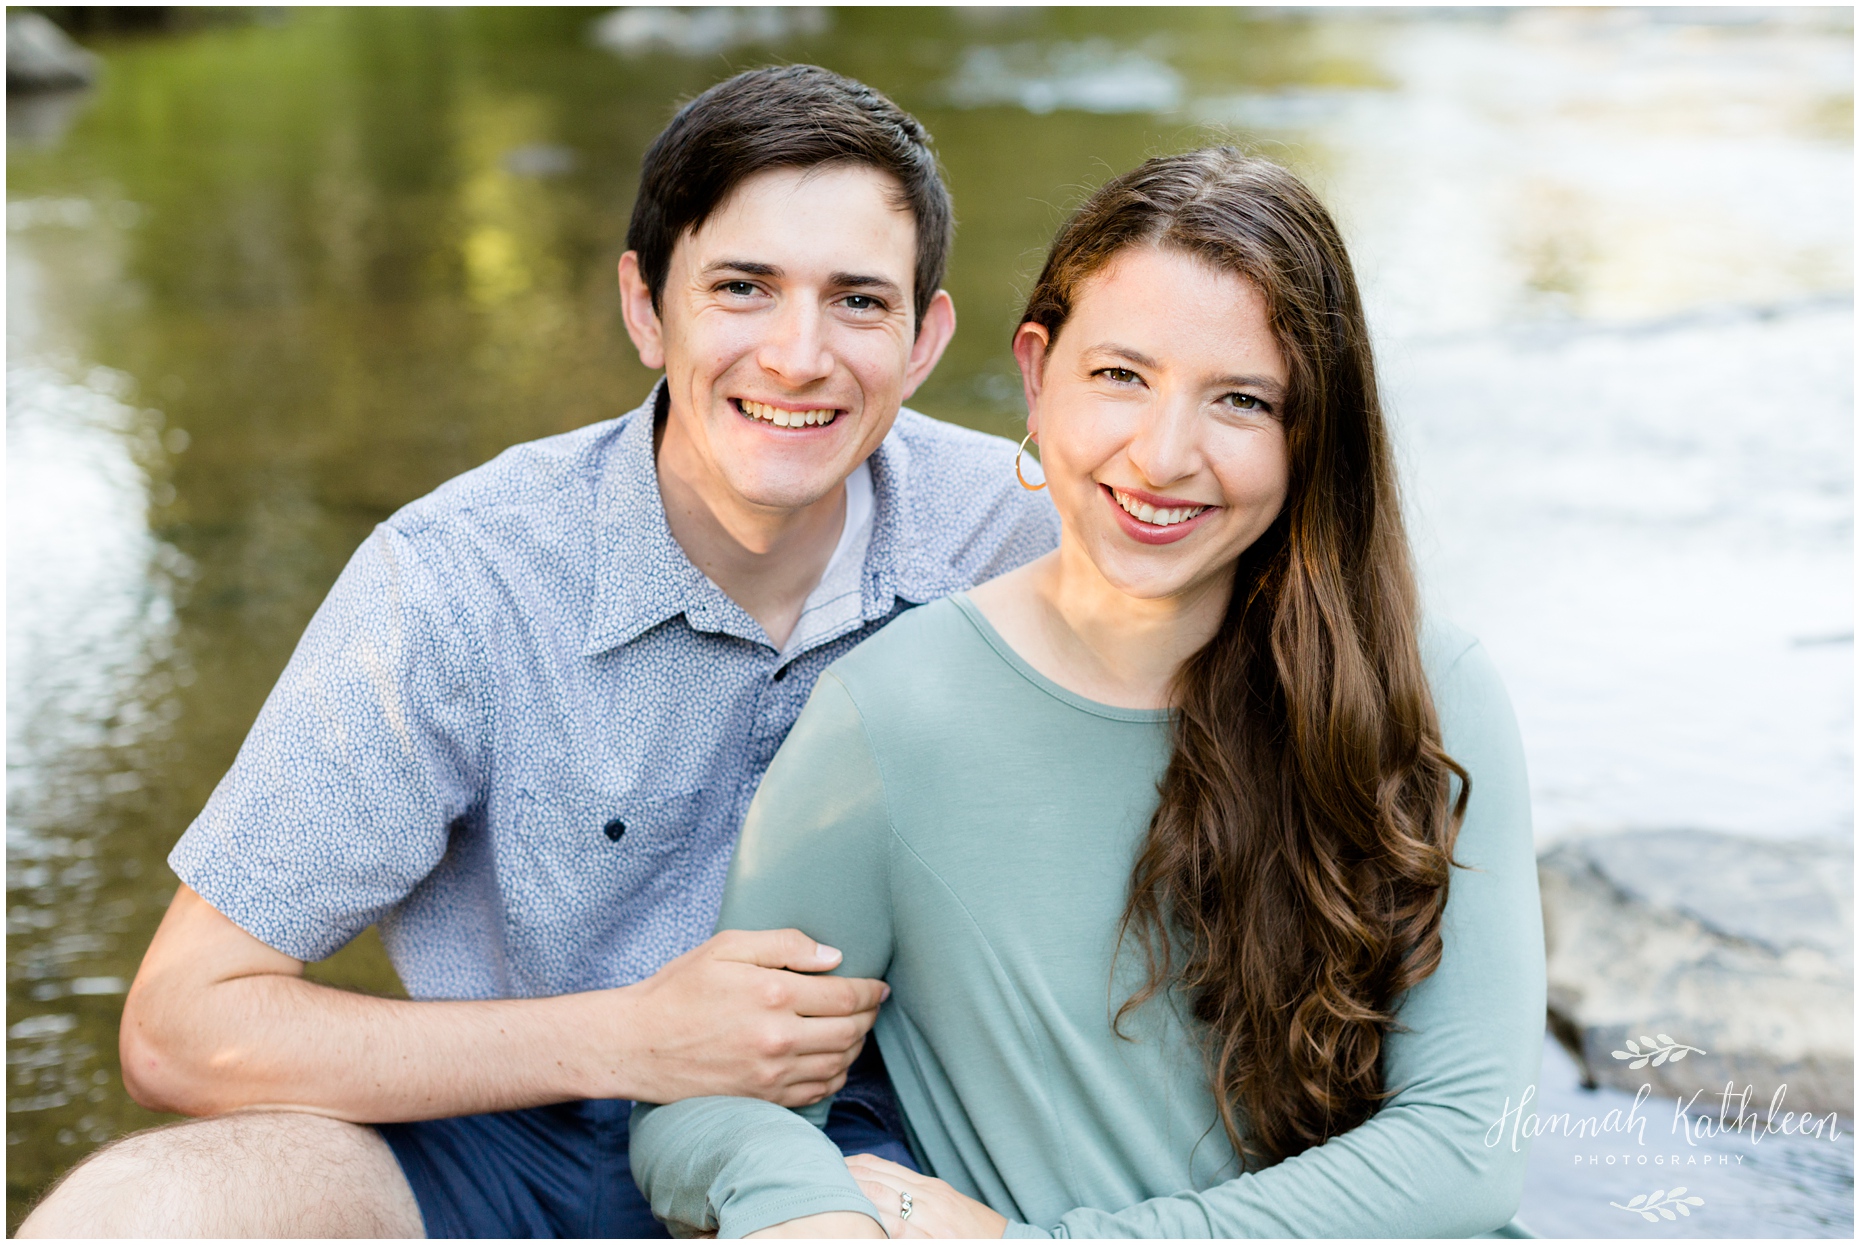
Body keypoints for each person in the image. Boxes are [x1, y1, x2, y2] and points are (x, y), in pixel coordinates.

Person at [18, 66, 1058, 1239]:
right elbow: (178, 1024)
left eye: (858, 302)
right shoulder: (463, 578)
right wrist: (632, 1036)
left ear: (926, 339)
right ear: (645, 307)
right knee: (135, 1214)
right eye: (743, 287)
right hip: (514, 1132)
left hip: (871, 1134)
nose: (799, 355)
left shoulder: (1025, 531)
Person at [628, 148, 1546, 1239]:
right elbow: (707, 1098)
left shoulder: (1428, 694)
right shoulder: (896, 714)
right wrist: (806, 1206)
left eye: (1242, 401)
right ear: (1036, 372)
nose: (1162, 456)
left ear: (1314, 434)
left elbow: (1465, 1150)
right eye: (1121, 376)